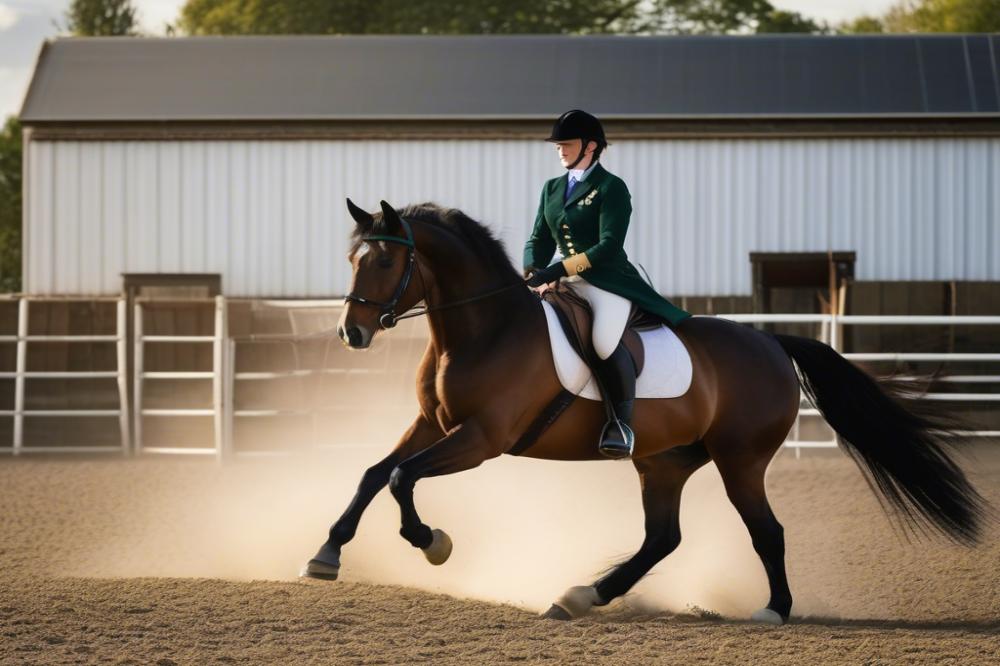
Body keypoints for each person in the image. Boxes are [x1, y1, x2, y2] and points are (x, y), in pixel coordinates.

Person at [523, 109, 691, 459]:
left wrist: (555, 272)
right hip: (561, 282)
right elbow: (539, 237)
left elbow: (608, 245)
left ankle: (621, 424)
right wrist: (531, 269)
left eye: (566, 144)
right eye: (558, 145)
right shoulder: (551, 188)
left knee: (602, 341)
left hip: (606, 282)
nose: (560, 150)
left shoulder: (611, 188)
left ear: (591, 146)